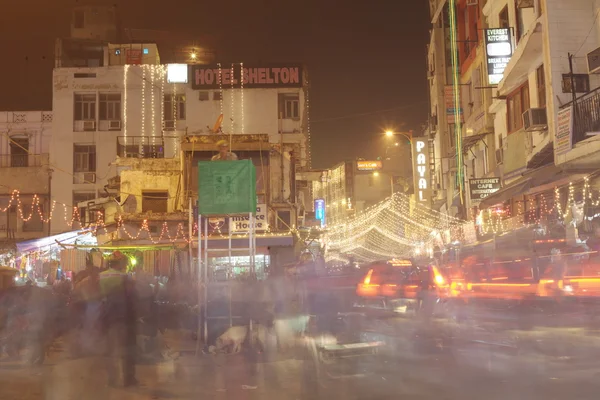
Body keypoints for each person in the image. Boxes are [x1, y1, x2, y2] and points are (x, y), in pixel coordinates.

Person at [99, 251, 137, 387]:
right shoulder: (125, 277)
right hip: (123, 317)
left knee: (110, 350)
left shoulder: (101, 276)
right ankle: (129, 379)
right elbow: (132, 297)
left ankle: (112, 379)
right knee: (127, 349)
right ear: (120, 263)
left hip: (106, 317)